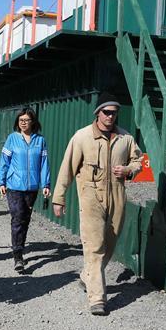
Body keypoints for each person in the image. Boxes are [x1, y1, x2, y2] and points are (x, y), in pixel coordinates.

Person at [52, 92, 142, 316]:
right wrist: (59, 198)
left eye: (114, 112)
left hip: (117, 196)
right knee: (94, 247)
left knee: (109, 244)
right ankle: (97, 299)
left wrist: (128, 170)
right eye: (107, 112)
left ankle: (87, 276)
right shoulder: (82, 137)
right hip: (91, 196)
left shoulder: (125, 138)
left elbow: (138, 160)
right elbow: (67, 168)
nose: (111, 116)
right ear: (98, 113)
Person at [0, 107, 51, 273]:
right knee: (18, 217)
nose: (23, 123)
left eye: (26, 120)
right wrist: (1, 181)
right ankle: (17, 255)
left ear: (32, 122)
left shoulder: (40, 141)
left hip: (32, 187)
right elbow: (4, 161)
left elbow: (44, 164)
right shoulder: (12, 139)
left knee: (25, 219)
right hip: (14, 186)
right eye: (21, 120)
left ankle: (20, 246)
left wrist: (46, 184)